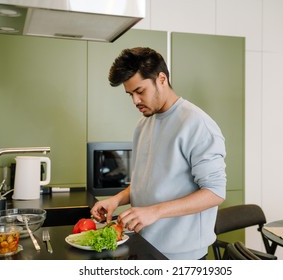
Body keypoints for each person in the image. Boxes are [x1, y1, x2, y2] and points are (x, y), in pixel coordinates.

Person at [90, 47, 226, 260]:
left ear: (161, 79)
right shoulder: (143, 124)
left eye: (140, 91)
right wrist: (117, 199)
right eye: (130, 94)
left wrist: (155, 211)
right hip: (144, 242)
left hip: (182, 255)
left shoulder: (197, 124)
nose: (135, 101)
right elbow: (147, 182)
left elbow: (215, 192)